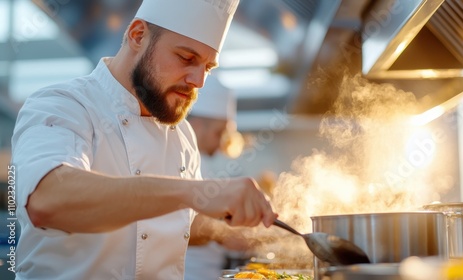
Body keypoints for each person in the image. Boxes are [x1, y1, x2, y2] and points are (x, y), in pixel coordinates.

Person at [10, 0, 277, 279]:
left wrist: (245, 220)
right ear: (138, 35)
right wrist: (193, 192)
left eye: (208, 68)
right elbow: (48, 201)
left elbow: (179, 225)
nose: (199, 81)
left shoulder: (183, 137)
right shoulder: (63, 105)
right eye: (187, 58)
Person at [184, 75, 248, 279]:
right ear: (197, 126)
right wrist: (225, 235)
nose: (221, 142)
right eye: (218, 133)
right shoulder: (176, 161)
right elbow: (182, 225)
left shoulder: (205, 162)